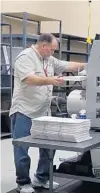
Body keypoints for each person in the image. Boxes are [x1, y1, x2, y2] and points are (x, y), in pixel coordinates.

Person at [9, 33, 87, 193]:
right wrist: (51, 80)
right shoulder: (25, 57)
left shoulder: (48, 59)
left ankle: (41, 178)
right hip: (24, 110)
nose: (53, 53)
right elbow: (29, 79)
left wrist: (87, 65)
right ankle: (23, 182)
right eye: (52, 49)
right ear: (43, 46)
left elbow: (66, 65)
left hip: (43, 111)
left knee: (48, 147)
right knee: (22, 148)